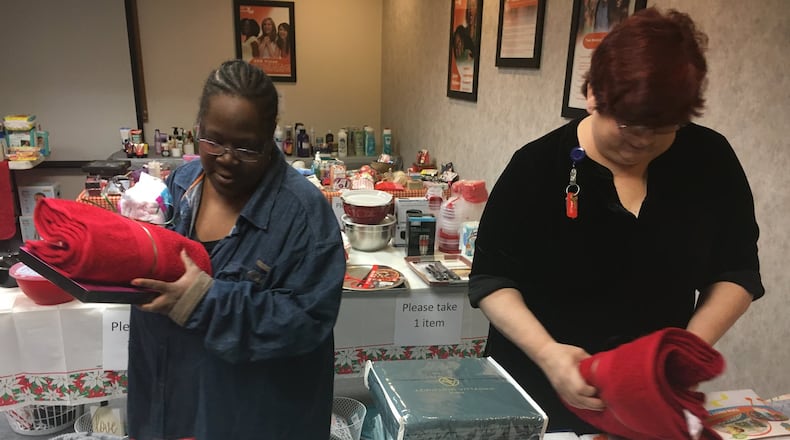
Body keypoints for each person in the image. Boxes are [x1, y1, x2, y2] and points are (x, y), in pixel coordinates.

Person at [468, 7, 764, 434]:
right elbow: (491, 280)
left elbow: (737, 270)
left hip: (648, 395)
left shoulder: (710, 160)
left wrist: (681, 352)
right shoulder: (536, 166)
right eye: (628, 124)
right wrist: (549, 353)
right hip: (540, 383)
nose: (642, 142)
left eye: (662, 128)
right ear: (592, 95)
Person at [127, 60, 345, 439]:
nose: (226, 158)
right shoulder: (182, 185)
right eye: (213, 140)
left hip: (252, 413)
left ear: (269, 138)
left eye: (247, 147)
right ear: (198, 128)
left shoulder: (304, 217)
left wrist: (206, 301)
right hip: (174, 395)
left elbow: (308, 321)